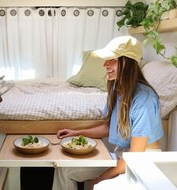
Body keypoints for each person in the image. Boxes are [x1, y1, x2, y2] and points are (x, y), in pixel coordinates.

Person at [51, 36, 164, 190]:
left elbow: (134, 157)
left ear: (128, 63)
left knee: (99, 186)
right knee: (66, 170)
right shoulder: (119, 90)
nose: (105, 64)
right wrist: (76, 133)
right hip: (123, 158)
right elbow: (109, 127)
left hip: (143, 165)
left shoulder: (144, 99)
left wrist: (98, 180)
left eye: (112, 60)